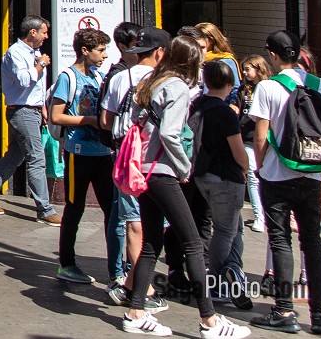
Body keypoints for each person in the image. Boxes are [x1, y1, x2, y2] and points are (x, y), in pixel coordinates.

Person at [120, 34, 251, 339]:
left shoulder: (155, 82)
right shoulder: (177, 87)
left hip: (144, 171)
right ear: (192, 61)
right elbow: (169, 134)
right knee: (192, 242)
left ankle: (135, 311)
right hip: (164, 171)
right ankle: (209, 320)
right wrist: (184, 167)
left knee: (152, 243)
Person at [248, 30, 321, 335]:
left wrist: (262, 167)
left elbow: (260, 135)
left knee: (280, 240)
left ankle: (284, 311)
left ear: (273, 55)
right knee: (312, 243)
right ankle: (319, 315)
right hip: (312, 176)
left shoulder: (267, 87)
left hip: (277, 174)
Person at [100, 25, 169, 308]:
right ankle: (142, 287)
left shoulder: (120, 77)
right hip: (155, 161)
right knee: (143, 224)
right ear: (161, 52)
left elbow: (105, 121)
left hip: (124, 158)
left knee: (128, 220)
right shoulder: (165, 81)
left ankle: (125, 278)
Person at [0, 15, 62, 225]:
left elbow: (36, 86)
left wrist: (41, 107)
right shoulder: (16, 53)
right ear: (32, 32)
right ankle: (44, 209)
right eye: (43, 32)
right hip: (21, 111)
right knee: (36, 158)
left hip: (30, 110)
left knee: (15, 155)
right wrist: (40, 64)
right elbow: (24, 80)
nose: (46, 37)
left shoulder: (34, 53)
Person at [51, 27, 115, 286]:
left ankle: (117, 265)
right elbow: (56, 115)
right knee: (74, 207)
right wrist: (89, 120)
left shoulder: (100, 76)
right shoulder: (68, 77)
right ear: (85, 51)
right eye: (100, 50)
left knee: (112, 209)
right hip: (78, 152)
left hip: (103, 152)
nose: (105, 55)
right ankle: (67, 263)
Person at [190, 59, 252, 311]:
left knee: (233, 228)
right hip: (226, 177)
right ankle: (218, 282)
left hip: (202, 175)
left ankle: (233, 272)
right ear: (229, 84)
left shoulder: (197, 106)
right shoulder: (224, 112)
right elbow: (238, 152)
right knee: (226, 231)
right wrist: (246, 168)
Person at [239, 55, 272, 234]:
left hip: (267, 139)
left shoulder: (269, 87)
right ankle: (260, 216)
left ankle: (268, 213)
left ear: (259, 69)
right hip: (248, 140)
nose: (244, 73)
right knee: (252, 175)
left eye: (248, 69)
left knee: (266, 176)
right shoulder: (244, 90)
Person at [194, 23, 242, 107]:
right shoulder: (195, 58)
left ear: (211, 40)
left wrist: (233, 104)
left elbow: (235, 87)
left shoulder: (226, 60)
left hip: (219, 106)